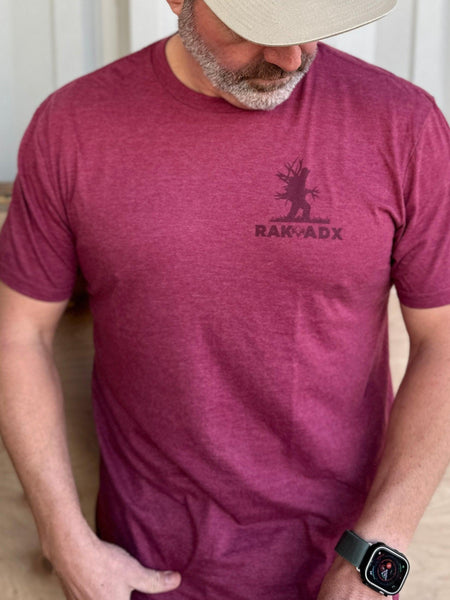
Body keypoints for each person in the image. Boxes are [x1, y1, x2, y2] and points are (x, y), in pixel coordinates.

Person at [0, 0, 449, 598]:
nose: (290, 58)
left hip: (341, 568)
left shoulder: (404, 125)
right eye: (255, 29)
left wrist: (375, 557)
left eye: (306, 27)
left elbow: (443, 341)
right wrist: (64, 542)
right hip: (144, 571)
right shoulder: (73, 127)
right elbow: (19, 335)